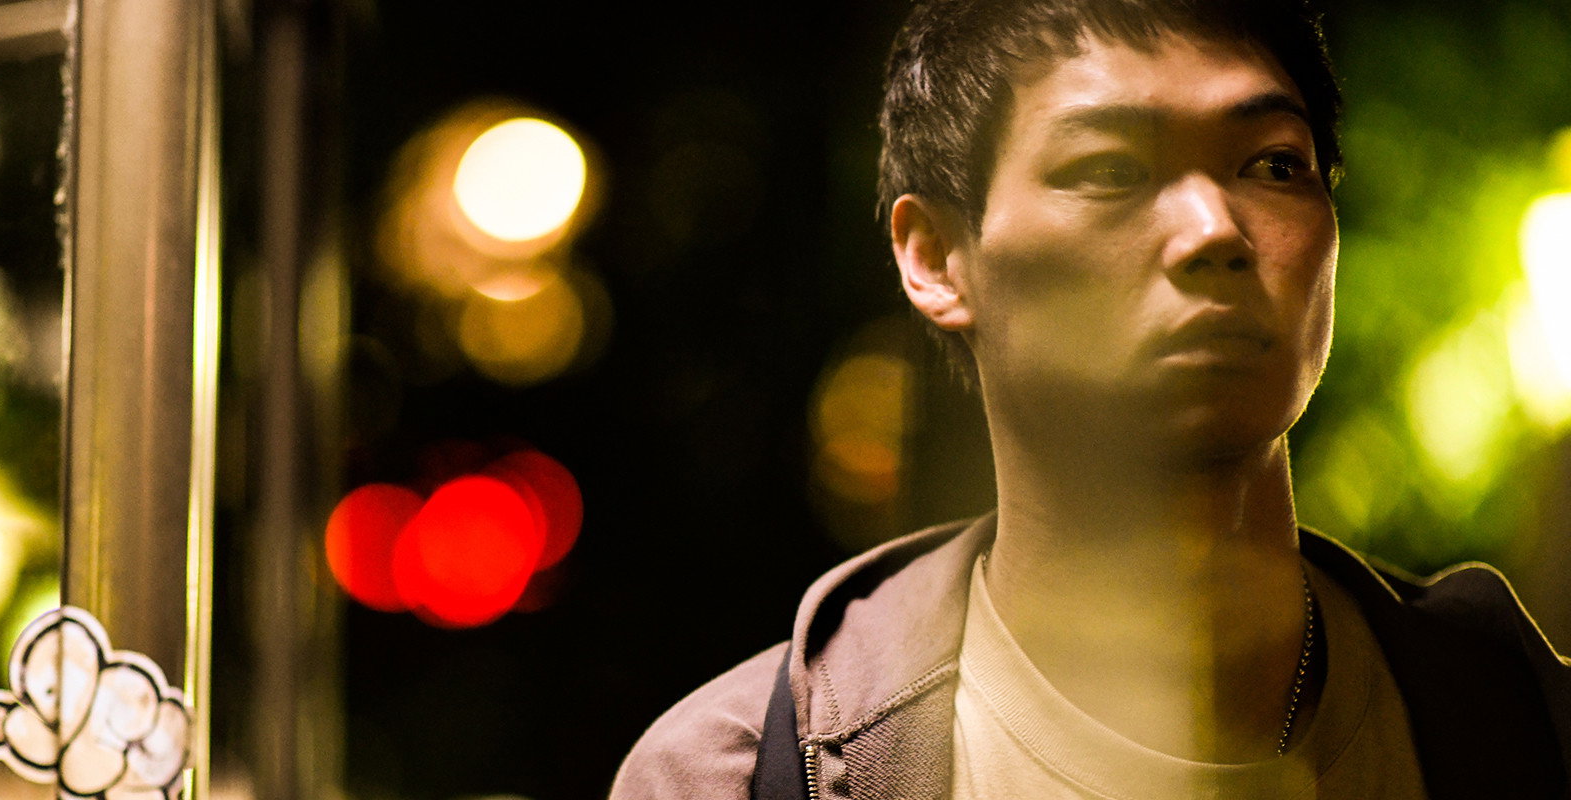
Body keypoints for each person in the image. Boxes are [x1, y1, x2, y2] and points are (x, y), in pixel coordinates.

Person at [610, 1, 1571, 798]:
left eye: (1273, 163)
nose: (1214, 230)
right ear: (937, 257)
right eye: (1109, 170)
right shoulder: (734, 777)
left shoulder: (1515, 731)